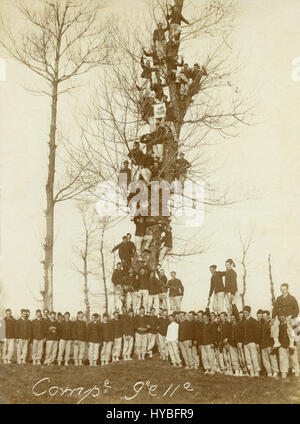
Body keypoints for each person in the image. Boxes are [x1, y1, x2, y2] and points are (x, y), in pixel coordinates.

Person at [271, 283, 299, 350]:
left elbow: (297, 309)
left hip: (288, 316)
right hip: (279, 316)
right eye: (281, 289)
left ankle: (291, 343)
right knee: (273, 326)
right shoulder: (278, 298)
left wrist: (292, 316)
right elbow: (275, 309)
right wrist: (273, 317)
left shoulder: (292, 298)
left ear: (287, 289)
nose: (282, 291)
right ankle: (276, 342)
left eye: (284, 289)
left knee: (290, 326)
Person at [260, 310, 279, 378]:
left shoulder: (271, 323)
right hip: (263, 344)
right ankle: (269, 372)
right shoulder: (262, 324)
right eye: (263, 316)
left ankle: (275, 371)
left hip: (270, 343)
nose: (263, 317)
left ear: (268, 316)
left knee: (272, 358)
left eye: (265, 316)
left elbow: (273, 334)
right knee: (265, 359)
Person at [243, 306, 260, 377]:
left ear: (249, 313)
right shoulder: (243, 321)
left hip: (252, 342)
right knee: (248, 358)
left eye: (246, 313)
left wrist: (257, 343)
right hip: (245, 342)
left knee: (254, 357)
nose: (244, 314)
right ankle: (251, 371)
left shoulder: (254, 321)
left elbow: (257, 333)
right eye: (244, 313)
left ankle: (256, 372)